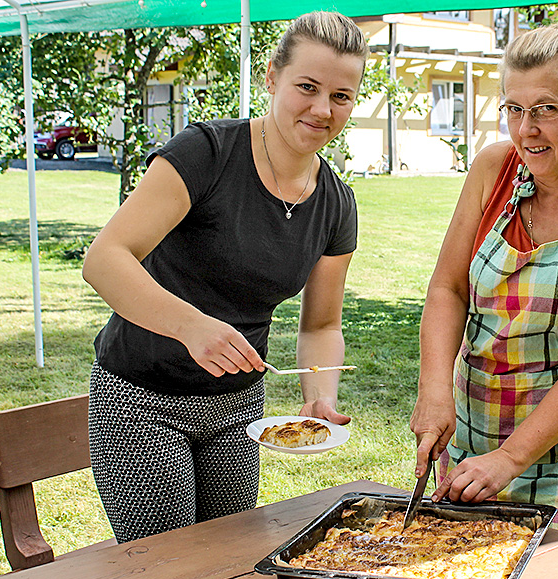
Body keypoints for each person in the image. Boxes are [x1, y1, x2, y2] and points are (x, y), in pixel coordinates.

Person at [81, 11, 369, 543]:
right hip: (141, 398)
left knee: (229, 560)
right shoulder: (207, 152)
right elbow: (104, 259)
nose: (322, 109)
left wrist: (320, 395)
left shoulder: (336, 203)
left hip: (239, 410)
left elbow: (322, 325)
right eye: (307, 87)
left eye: (342, 96)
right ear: (271, 78)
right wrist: (192, 326)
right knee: (170, 568)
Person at [410, 22, 558, 542]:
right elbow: (447, 289)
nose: (525, 130)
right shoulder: (494, 169)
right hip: (475, 427)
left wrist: (512, 458)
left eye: (544, 109)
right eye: (514, 109)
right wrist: (434, 390)